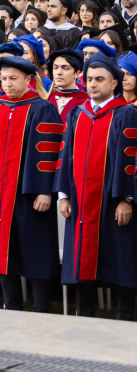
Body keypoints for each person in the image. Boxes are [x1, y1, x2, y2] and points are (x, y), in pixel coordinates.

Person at [0, 55, 63, 313]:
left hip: (28, 194)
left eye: (14, 79)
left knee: (35, 250)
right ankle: (11, 305)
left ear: (28, 79)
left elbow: (49, 154)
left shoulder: (42, 108)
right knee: (1, 250)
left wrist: (45, 191)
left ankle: (41, 307)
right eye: (3, 79)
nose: (8, 84)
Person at [55, 54, 137, 320]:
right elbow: (65, 156)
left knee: (121, 256)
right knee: (82, 258)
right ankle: (85, 313)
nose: (92, 85)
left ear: (114, 83)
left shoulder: (127, 115)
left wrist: (127, 198)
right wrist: (64, 194)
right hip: (80, 200)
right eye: (89, 79)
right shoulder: (78, 114)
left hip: (113, 201)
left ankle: (124, 314)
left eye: (99, 80)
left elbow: (132, 160)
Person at [46, 49, 87, 121]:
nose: (58, 72)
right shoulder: (47, 100)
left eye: (65, 68)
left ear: (77, 73)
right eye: (55, 68)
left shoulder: (86, 102)